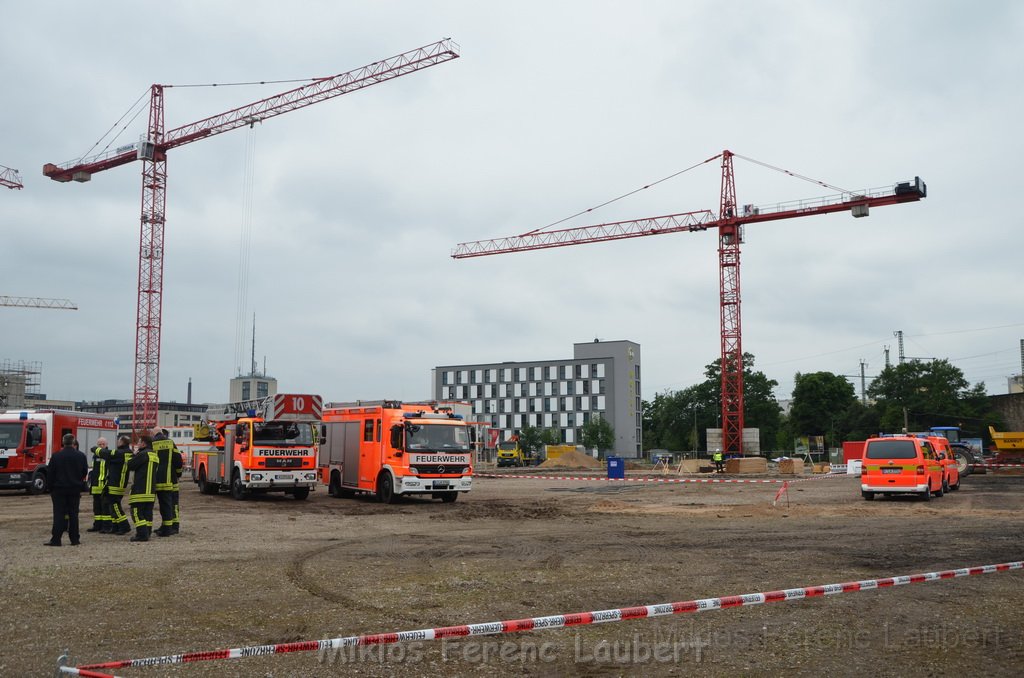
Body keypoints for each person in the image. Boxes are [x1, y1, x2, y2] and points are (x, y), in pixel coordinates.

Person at [44, 433, 89, 546]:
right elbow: (84, 471)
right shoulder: (81, 456)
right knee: (74, 514)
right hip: (74, 489)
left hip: (59, 489)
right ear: (74, 442)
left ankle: (56, 539)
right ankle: (74, 539)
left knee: (59, 514)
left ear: (63, 442)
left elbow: (50, 473)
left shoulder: (56, 456)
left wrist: (50, 488)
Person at [127, 434, 159, 542]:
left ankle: (142, 535)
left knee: (136, 512)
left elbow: (130, 465)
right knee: (147, 513)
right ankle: (147, 532)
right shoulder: (155, 455)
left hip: (140, 489)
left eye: (139, 442)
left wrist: (134, 454)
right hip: (150, 490)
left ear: (144, 444)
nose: (137, 444)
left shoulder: (143, 454)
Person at [152, 427, 183, 537]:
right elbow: (178, 460)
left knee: (163, 505)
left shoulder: (152, 443)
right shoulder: (170, 443)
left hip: (156, 479)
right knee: (172, 504)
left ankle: (166, 527)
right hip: (171, 479)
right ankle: (173, 526)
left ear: (154, 434)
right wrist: (178, 473)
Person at [102, 435, 134, 535]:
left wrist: (96, 449)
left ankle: (124, 526)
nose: (117, 442)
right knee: (112, 506)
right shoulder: (128, 453)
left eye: (119, 440)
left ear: (122, 442)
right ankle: (116, 526)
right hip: (118, 483)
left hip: (116, 484)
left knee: (115, 506)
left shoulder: (121, 453)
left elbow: (107, 455)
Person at [86, 437, 111, 533]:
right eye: (99, 444)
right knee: (96, 507)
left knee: (105, 507)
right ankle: (97, 525)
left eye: (103, 444)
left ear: (106, 445)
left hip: (104, 485)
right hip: (96, 485)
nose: (101, 446)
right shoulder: (95, 456)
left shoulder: (108, 455)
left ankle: (107, 526)